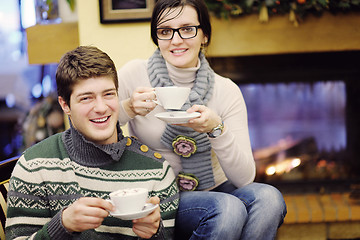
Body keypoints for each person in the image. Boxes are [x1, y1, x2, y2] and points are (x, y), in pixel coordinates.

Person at [117, 0, 287, 239]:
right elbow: (95, 124)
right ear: (157, 37)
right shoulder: (134, 74)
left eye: (187, 29)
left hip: (215, 187)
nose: (176, 40)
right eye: (165, 31)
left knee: (268, 198)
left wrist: (216, 129)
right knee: (228, 209)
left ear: (204, 35)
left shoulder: (225, 90)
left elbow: (245, 178)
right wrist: (128, 108)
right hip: (159, 193)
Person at [5, 46, 179, 240]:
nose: (101, 107)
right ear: (65, 105)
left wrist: (155, 234)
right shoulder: (34, 166)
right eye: (86, 98)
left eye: (108, 94)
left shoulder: (157, 171)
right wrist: (62, 225)